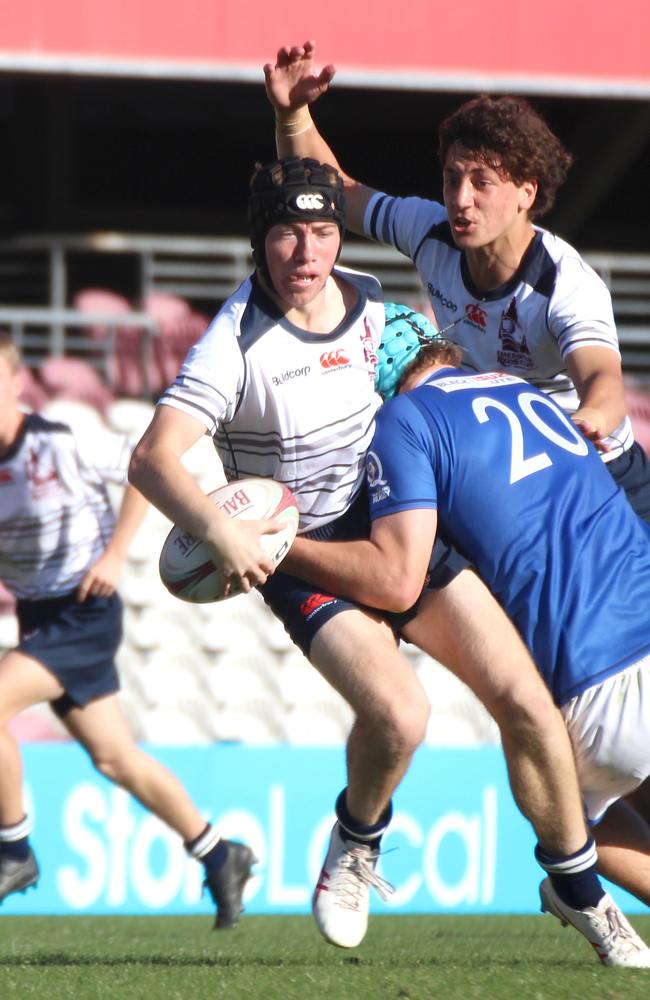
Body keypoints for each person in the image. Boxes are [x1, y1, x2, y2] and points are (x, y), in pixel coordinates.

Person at [129, 157, 628, 962]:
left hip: (396, 521)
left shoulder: (365, 298)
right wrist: (220, 534)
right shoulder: (235, 339)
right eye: (288, 232)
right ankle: (357, 840)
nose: (307, 251)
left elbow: (428, 368)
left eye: (323, 230)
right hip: (306, 553)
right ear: (259, 240)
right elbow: (153, 459)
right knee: (401, 715)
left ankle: (583, 896)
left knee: (528, 704)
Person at [282, 314, 650, 967]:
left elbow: (399, 575)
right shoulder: (523, 388)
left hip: (594, 686)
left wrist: (282, 550)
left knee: (577, 798)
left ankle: (578, 885)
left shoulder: (406, 420)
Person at [263, 41, 650, 522]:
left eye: (482, 182)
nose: (460, 199)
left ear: (526, 192)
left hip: (600, 476)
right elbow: (336, 189)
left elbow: (603, 381)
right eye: (451, 179)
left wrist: (588, 421)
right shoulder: (430, 232)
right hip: (506, 472)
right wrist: (291, 113)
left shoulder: (565, 284)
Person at [0, 332, 253, 929]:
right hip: (42, 616)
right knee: (115, 758)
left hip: (84, 610)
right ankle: (220, 852)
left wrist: (115, 555)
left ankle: (13, 849)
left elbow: (146, 466)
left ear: (14, 384)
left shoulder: (57, 445)